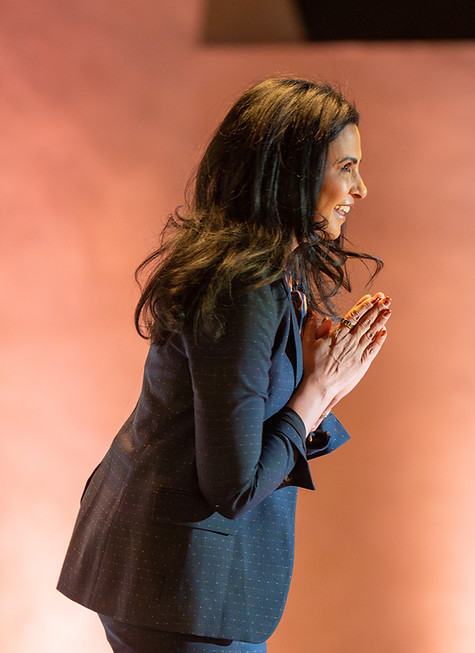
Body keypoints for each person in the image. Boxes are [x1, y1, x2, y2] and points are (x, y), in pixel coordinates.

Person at [57, 77, 391, 652]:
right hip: (181, 590)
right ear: (293, 171)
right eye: (347, 167)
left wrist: (321, 386)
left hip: (171, 579)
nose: (361, 187)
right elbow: (232, 486)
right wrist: (315, 394)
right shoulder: (245, 286)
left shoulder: (263, 274)